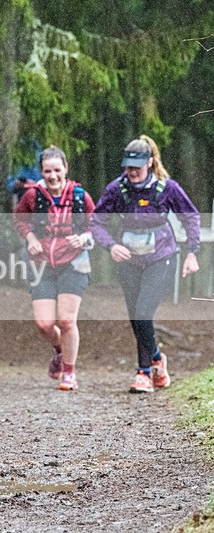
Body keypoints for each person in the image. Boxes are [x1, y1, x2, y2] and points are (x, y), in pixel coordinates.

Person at [91, 135, 200, 393]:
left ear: (149, 162)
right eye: (128, 167)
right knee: (136, 317)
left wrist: (192, 252)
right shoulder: (117, 189)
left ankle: (151, 363)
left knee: (143, 313)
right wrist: (111, 245)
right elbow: (97, 222)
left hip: (161, 258)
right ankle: (146, 371)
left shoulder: (167, 187)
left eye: (137, 167)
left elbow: (191, 217)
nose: (132, 172)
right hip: (129, 260)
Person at [14, 145, 96, 391]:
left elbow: (98, 225)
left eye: (57, 170)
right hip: (42, 265)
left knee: (67, 321)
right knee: (44, 323)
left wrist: (82, 238)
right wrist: (31, 240)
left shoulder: (80, 196)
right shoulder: (32, 195)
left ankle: (69, 373)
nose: (52, 176)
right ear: (41, 171)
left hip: (74, 263)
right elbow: (20, 219)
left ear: (65, 169)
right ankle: (60, 351)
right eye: (47, 171)